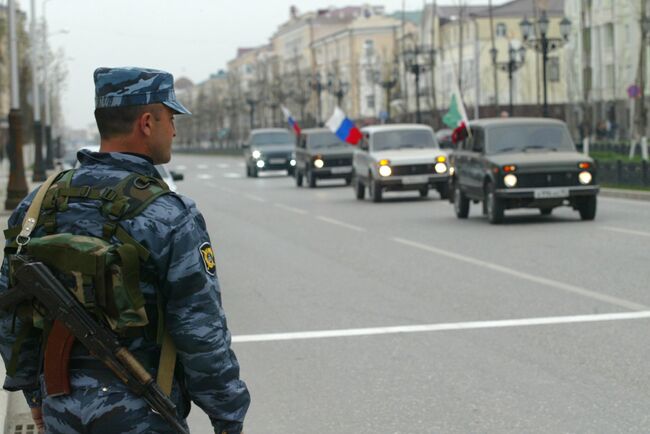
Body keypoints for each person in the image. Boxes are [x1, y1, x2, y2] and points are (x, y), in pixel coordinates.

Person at [0, 67, 250, 433]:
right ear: (147, 123)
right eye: (171, 118)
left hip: (60, 406)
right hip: (142, 410)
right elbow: (200, 330)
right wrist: (228, 414)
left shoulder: (38, 204)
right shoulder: (169, 214)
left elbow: (11, 310)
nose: (175, 131)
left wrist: (33, 394)